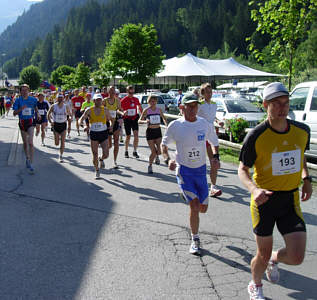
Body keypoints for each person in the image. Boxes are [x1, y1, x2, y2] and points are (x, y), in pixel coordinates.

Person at [238, 82, 312, 300]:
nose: (282, 107)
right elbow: (242, 169)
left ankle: (274, 259)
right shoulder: (256, 135)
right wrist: (253, 189)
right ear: (265, 105)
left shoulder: (302, 131)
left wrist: (306, 178)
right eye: (276, 103)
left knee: (297, 256)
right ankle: (256, 284)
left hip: (290, 199)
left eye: (286, 103)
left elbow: (300, 155)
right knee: (261, 254)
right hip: (264, 201)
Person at [161, 93, 219, 255]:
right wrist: (168, 160)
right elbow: (164, 145)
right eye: (190, 106)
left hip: (200, 171)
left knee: (203, 208)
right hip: (184, 171)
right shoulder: (175, 126)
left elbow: (214, 142)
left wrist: (215, 157)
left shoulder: (204, 124)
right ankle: (195, 239)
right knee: (194, 206)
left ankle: (187, 196)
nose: (194, 109)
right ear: (182, 107)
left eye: (196, 105)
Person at [79, 94, 114, 179]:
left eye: (100, 100)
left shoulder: (105, 110)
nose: (98, 101)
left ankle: (101, 159)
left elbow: (111, 120)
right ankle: (97, 170)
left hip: (103, 133)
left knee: (106, 154)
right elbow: (81, 119)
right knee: (94, 153)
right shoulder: (89, 110)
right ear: (93, 101)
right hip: (94, 133)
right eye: (97, 100)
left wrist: (111, 126)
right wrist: (83, 126)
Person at [197, 83, 222, 197]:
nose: (209, 94)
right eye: (207, 92)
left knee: (214, 161)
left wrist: (218, 121)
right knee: (199, 162)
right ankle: (196, 184)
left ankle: (213, 187)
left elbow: (212, 116)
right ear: (202, 93)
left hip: (211, 134)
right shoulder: (199, 104)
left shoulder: (214, 104)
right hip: (200, 135)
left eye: (211, 92)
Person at [13, 84, 40, 174]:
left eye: (26, 90)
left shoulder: (33, 99)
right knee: (25, 143)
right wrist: (21, 109)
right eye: (23, 90)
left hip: (30, 122)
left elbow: (35, 107)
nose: (24, 92)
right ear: (20, 92)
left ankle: (31, 163)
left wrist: (38, 114)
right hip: (22, 122)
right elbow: (14, 113)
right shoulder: (18, 100)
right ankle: (27, 158)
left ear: (28, 91)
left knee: (31, 143)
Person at [139, 94, 167, 174]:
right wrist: (145, 121)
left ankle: (157, 156)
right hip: (150, 132)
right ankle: (150, 165)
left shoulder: (159, 110)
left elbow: (164, 119)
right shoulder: (146, 110)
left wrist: (166, 125)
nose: (153, 103)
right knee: (153, 152)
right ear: (148, 102)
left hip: (158, 131)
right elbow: (139, 121)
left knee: (159, 151)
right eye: (151, 101)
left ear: (156, 102)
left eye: (154, 101)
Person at [47, 93, 71, 162]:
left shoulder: (66, 106)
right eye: (59, 98)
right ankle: (57, 139)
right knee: (57, 143)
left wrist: (69, 117)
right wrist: (50, 121)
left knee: (63, 142)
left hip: (63, 125)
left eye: (61, 98)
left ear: (63, 99)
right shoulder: (53, 106)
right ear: (56, 99)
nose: (60, 99)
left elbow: (69, 114)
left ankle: (60, 156)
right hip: (56, 125)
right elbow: (48, 114)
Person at [121, 85, 143, 158]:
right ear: (127, 92)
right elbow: (120, 109)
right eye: (130, 93)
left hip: (134, 119)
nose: (131, 94)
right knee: (128, 136)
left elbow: (140, 108)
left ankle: (135, 151)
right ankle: (126, 151)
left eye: (132, 92)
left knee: (136, 136)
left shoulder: (136, 99)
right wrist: (123, 112)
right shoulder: (123, 100)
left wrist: (143, 116)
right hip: (127, 119)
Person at [104, 86, 123, 169]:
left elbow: (119, 110)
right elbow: (101, 110)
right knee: (109, 145)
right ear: (108, 91)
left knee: (116, 142)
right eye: (110, 90)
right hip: (107, 123)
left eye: (113, 90)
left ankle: (115, 161)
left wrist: (122, 113)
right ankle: (103, 157)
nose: (112, 92)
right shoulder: (104, 101)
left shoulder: (118, 100)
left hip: (115, 122)